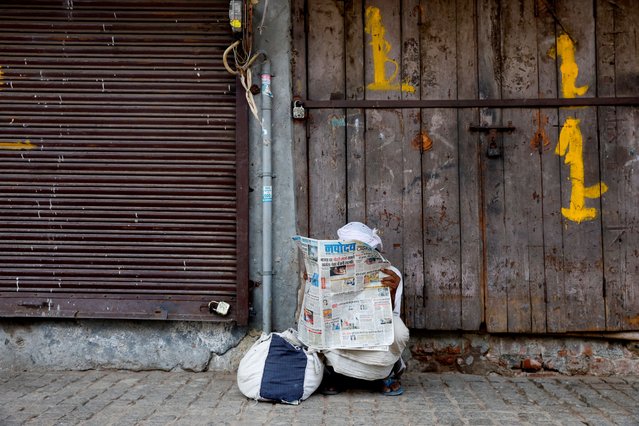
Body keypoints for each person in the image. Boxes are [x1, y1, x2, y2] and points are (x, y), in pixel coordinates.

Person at [320, 222, 410, 396]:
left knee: (399, 331)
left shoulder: (391, 274)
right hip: (342, 330)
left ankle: (385, 372)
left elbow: (392, 318)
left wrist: (390, 295)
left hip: (374, 331)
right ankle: (336, 374)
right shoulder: (331, 270)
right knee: (325, 328)